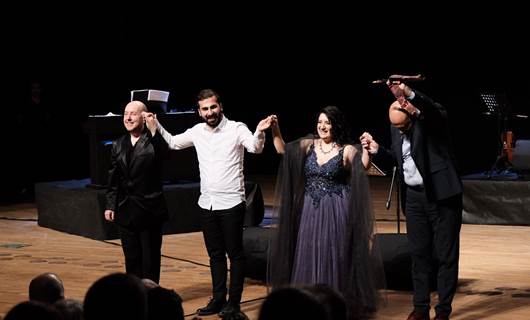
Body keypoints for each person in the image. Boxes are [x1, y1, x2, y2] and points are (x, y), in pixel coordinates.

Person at [144, 89, 273, 318]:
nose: (210, 112)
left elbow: (255, 147)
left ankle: (234, 303)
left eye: (213, 107)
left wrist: (260, 132)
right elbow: (173, 143)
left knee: (235, 254)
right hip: (207, 203)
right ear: (199, 111)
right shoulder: (197, 131)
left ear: (220, 106)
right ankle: (218, 298)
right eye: (205, 109)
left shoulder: (236, 128)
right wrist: (156, 125)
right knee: (215, 255)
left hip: (231, 202)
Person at [266, 106, 385, 319]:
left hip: (336, 209)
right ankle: (307, 303)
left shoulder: (346, 150)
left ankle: (335, 303)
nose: (322, 126)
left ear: (335, 125)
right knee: (309, 250)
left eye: (327, 122)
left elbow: (364, 167)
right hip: (310, 209)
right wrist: (275, 129)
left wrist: (366, 148)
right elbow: (282, 150)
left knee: (334, 252)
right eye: (320, 122)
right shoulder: (308, 145)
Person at [361, 80, 463, 320]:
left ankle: (443, 311)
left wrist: (408, 92)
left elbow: (433, 111)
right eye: (394, 127)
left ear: (411, 114)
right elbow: (398, 161)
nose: (399, 131)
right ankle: (420, 308)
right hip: (414, 198)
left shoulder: (431, 123)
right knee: (419, 255)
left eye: (403, 126)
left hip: (441, 196)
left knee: (446, 255)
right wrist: (378, 150)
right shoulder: (396, 128)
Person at [104, 100, 169, 283]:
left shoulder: (153, 140)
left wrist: (155, 128)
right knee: (131, 258)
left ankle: (151, 296)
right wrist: (110, 204)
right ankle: (133, 296)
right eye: (125, 113)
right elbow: (113, 177)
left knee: (150, 259)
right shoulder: (118, 143)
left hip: (149, 209)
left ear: (144, 116)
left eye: (133, 113)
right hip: (126, 209)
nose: (128, 117)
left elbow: (165, 155)